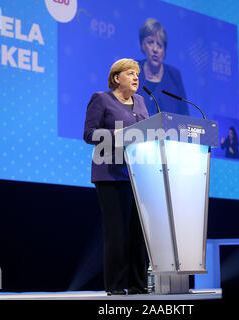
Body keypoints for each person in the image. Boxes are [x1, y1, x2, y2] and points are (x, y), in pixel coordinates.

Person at [83, 58, 149, 295]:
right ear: (116, 77)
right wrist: (117, 133)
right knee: (117, 232)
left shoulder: (141, 101)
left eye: (137, 74)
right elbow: (89, 134)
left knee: (138, 233)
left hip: (137, 174)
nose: (135, 78)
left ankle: (138, 285)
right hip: (110, 174)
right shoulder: (101, 99)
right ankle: (116, 286)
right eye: (130, 73)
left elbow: (147, 132)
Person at [137, 18, 189, 116]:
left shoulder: (174, 76)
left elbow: (185, 116)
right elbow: (117, 110)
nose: (155, 49)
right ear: (143, 45)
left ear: (164, 51)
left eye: (159, 45)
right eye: (150, 42)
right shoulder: (132, 70)